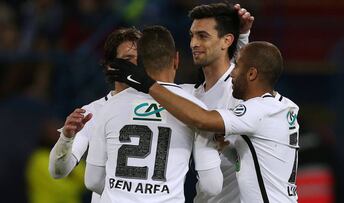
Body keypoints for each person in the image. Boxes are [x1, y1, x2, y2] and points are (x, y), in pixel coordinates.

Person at [108, 41, 300, 203]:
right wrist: (227, 149)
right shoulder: (284, 107)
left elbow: (200, 119)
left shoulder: (258, 111)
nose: (232, 73)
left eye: (238, 66)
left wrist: (146, 83)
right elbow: (262, 161)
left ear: (251, 74)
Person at [85, 25, 223, 203]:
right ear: (176, 59)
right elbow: (212, 186)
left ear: (139, 63)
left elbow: (93, 180)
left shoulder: (109, 106)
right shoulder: (196, 111)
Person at [48, 27, 142, 203]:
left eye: (140, 59)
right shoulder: (93, 111)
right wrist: (66, 138)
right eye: (128, 59)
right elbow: (58, 171)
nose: (136, 65)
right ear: (110, 65)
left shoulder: (163, 106)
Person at [185, 3, 254, 202]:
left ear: (226, 41)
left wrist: (243, 37)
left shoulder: (242, 90)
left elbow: (250, 70)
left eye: (203, 36)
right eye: (192, 35)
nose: (193, 43)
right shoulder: (191, 95)